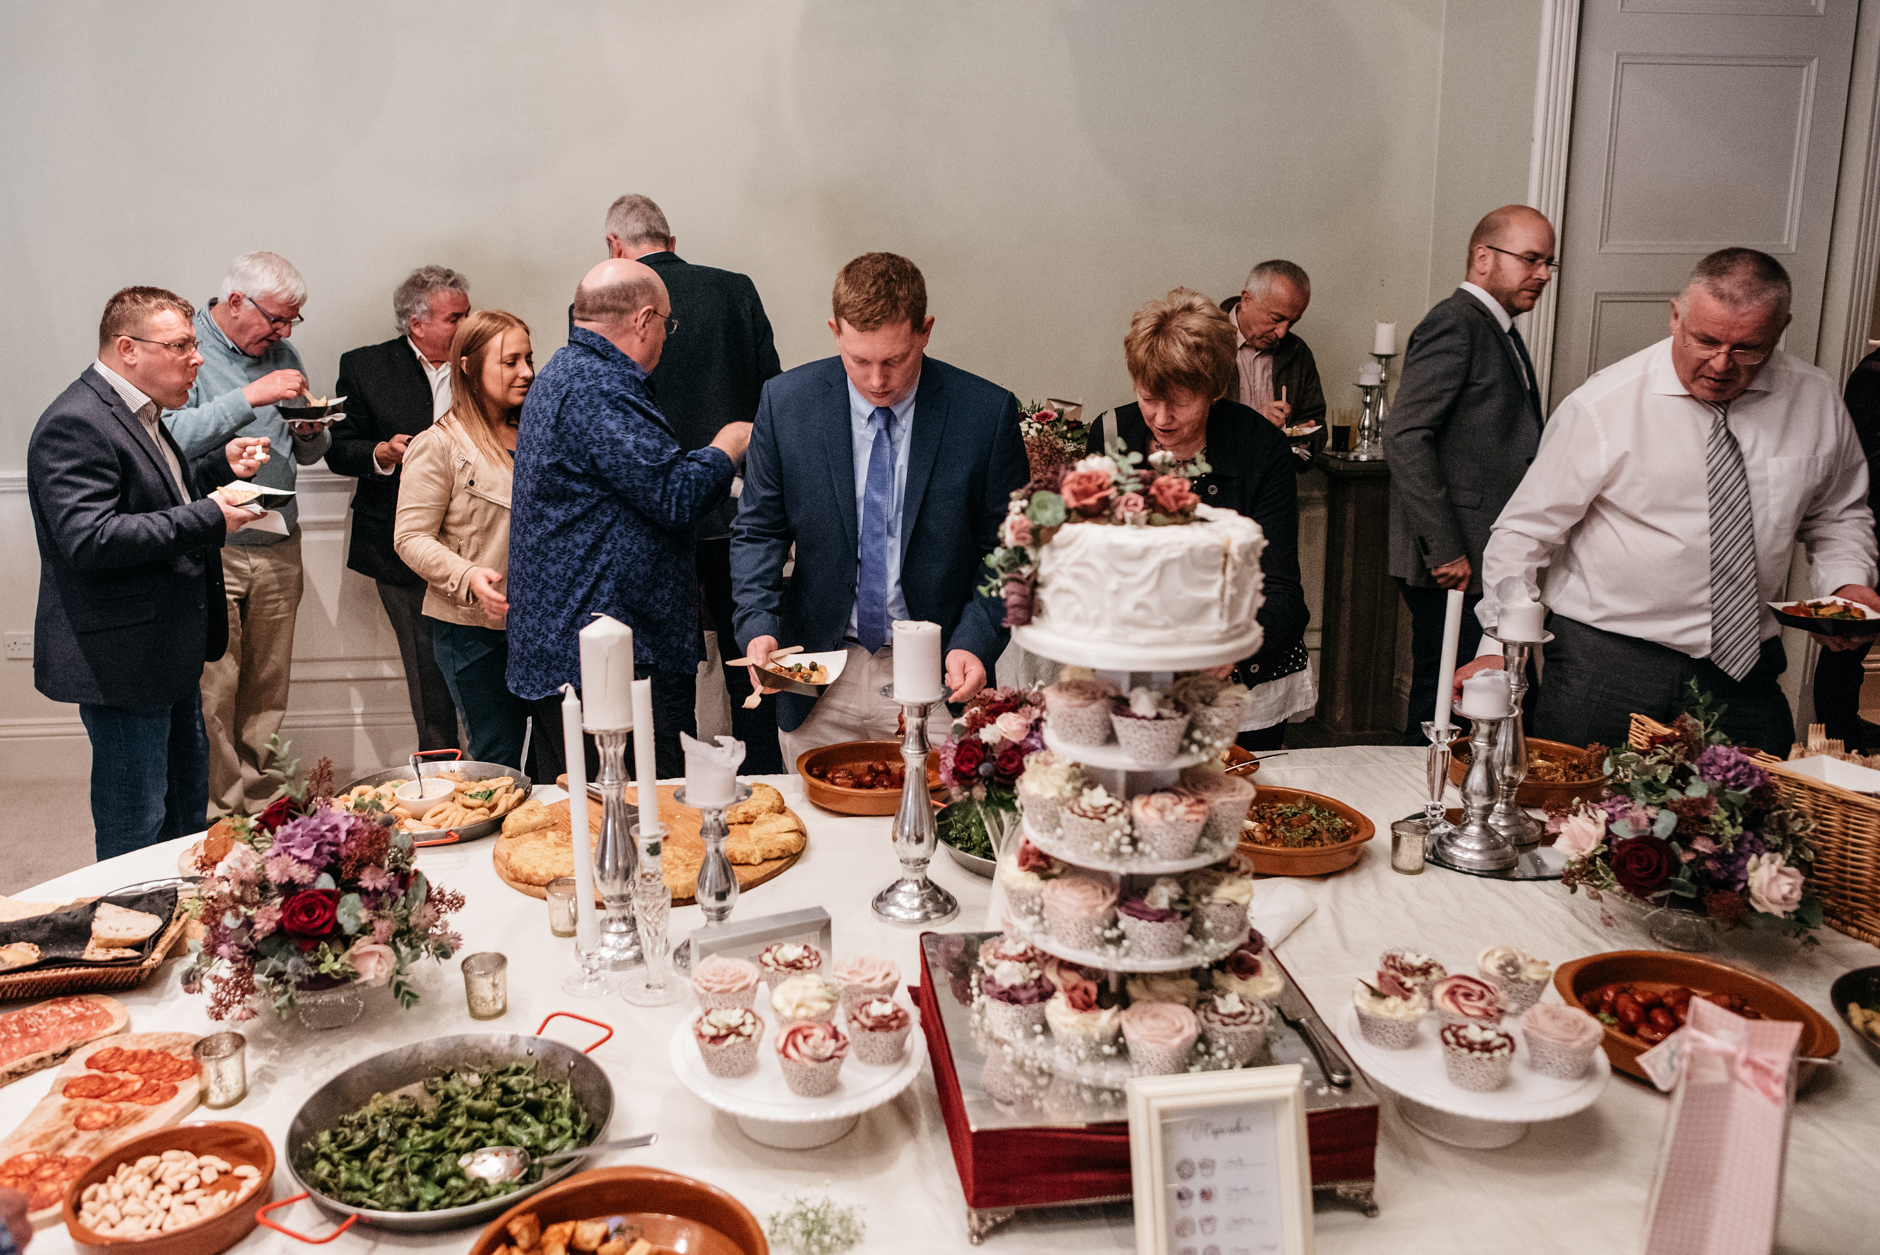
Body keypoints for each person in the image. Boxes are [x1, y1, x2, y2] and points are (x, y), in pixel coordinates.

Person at [1460, 249, 1880, 756]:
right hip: (1606, 664)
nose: (1721, 364)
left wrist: (1846, 587)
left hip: (1744, 668)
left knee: (1754, 826)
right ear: (1675, 315)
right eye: (1705, 340)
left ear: (1782, 328)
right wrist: (1499, 649)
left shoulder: (1815, 400)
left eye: (1748, 348)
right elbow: (1524, 533)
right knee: (1574, 822)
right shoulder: (1605, 403)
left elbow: (1838, 514)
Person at [731, 252, 1029, 761]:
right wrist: (758, 625)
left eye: (894, 360)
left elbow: (1010, 553)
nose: (876, 380)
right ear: (835, 331)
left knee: (936, 828)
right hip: (813, 670)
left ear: (925, 331)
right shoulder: (787, 404)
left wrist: (975, 642)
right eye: (859, 360)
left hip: (939, 674)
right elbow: (759, 530)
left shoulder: (985, 414)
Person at [28, 287, 268, 858]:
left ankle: (178, 929)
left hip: (168, 648)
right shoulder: (76, 421)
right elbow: (91, 538)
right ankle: (129, 929)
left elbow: (153, 496)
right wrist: (211, 516)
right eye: (181, 345)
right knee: (135, 823)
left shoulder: (140, 411)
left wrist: (215, 468)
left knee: (184, 813)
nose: (198, 357)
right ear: (127, 348)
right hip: (123, 657)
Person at [507, 259, 751, 779]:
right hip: (611, 659)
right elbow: (673, 494)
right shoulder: (598, 386)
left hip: (585, 648)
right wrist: (729, 445)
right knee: (640, 821)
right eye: (667, 321)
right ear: (644, 320)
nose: (666, 333)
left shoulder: (568, 371)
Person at [598, 195, 785, 770]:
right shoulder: (736, 290)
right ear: (671, 241)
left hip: (653, 520)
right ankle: (762, 788)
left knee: (666, 674)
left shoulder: (602, 302)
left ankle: (672, 801)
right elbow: (771, 397)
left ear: (614, 248)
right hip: (738, 515)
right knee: (752, 662)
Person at [1093, 290, 1312, 748]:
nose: (1162, 417)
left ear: (1214, 389)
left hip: (1242, 686)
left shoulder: (1259, 448)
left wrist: (1227, 649)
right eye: (1149, 398)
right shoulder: (1111, 435)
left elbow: (1283, 593)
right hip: (1136, 677)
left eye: (1181, 402)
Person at [161, 252, 329, 816]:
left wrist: (310, 430)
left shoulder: (281, 352)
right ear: (236, 302)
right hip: (218, 544)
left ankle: (266, 804)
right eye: (275, 319)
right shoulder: (188, 350)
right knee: (217, 690)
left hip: (281, 540)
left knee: (267, 687)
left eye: (291, 322)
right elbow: (166, 438)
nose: (282, 333)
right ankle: (222, 811)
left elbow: (305, 452)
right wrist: (248, 398)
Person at [1383, 205, 1554, 743]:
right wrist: (1447, 551)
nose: (1543, 274)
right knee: (1446, 703)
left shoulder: (1495, 327)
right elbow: (1405, 434)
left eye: (1549, 263)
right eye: (1530, 259)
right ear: (1483, 257)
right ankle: (1425, 805)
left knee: (1473, 696)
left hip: (1481, 553)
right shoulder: (1454, 323)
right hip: (1456, 561)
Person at [327, 266, 472, 754]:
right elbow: (338, 448)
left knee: (480, 662)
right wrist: (381, 454)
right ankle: (439, 769)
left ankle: (498, 765)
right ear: (417, 323)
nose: (466, 325)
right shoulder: (366, 367)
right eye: (455, 317)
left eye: (467, 314)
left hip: (480, 543)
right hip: (398, 543)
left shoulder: (484, 360)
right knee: (425, 668)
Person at [393, 310, 539, 774]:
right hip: (474, 633)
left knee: (555, 756)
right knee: (498, 761)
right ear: (470, 369)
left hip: (541, 625)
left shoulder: (539, 433)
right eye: (510, 361)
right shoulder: (439, 444)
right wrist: (469, 575)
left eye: (529, 358)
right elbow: (410, 537)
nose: (527, 372)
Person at [1812, 345, 1880, 749]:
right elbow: (1854, 470)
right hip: (1874, 529)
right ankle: (1841, 746)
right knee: (1846, 646)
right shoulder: (1874, 375)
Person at [1221, 259, 1326, 469]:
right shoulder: (1204, 342)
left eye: (1293, 322)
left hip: (1274, 481)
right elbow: (1187, 423)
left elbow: (1317, 425)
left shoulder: (1298, 352)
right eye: (1276, 318)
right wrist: (1252, 422)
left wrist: (1303, 440)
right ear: (1247, 299)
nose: (1282, 332)